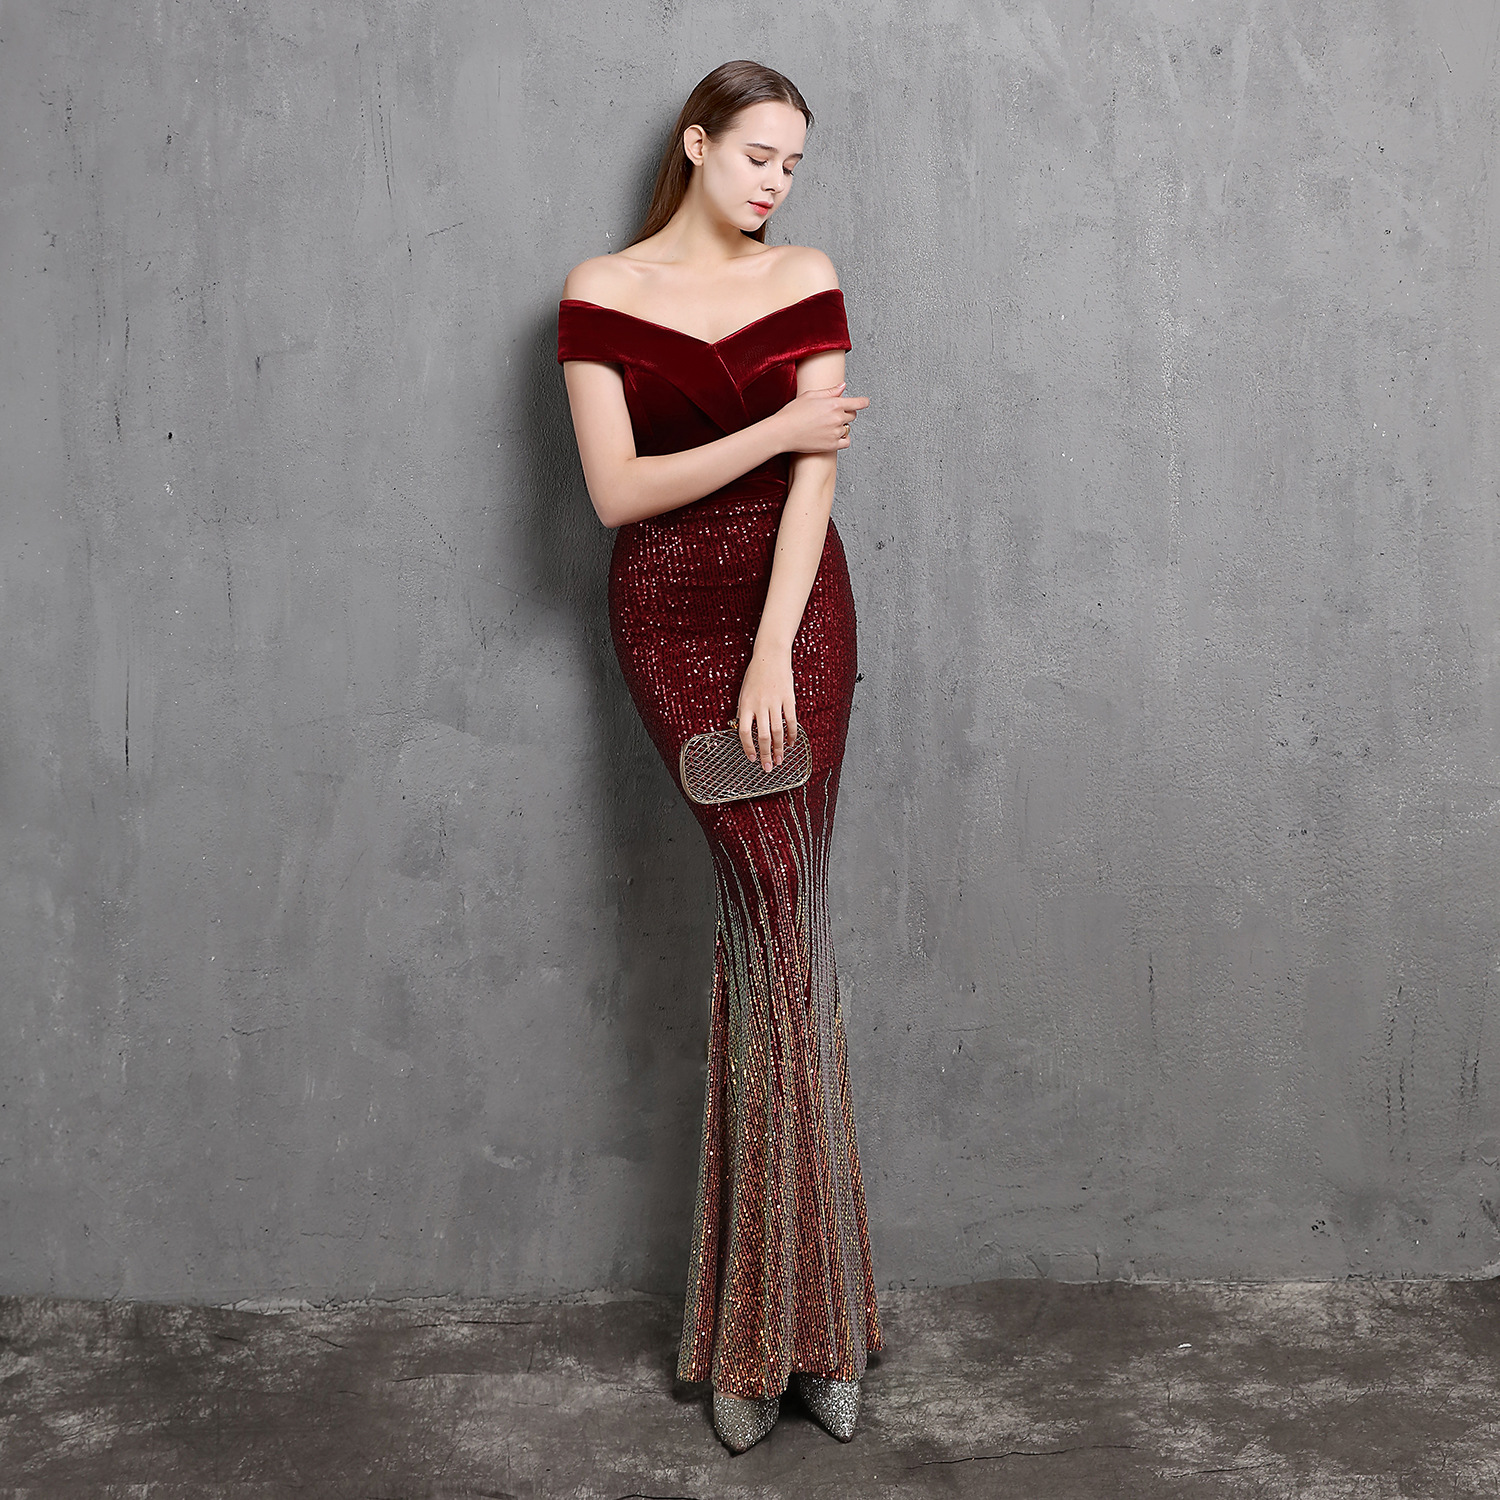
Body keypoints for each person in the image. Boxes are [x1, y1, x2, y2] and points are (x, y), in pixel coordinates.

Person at [557, 59, 880, 1455]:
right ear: (696, 144)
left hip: (792, 619)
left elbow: (816, 482)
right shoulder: (601, 291)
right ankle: (784, 1330)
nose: (775, 184)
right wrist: (775, 424)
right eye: (757, 155)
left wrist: (773, 652)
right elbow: (618, 492)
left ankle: (787, 1333)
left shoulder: (806, 275)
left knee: (785, 930)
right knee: (764, 931)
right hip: (668, 615)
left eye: (793, 164)